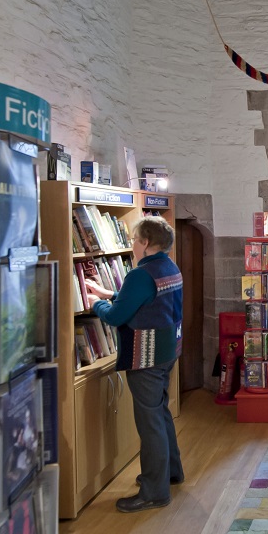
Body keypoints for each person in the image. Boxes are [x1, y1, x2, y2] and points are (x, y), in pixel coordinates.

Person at [86, 215, 184, 512]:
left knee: (149, 421)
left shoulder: (140, 274)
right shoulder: (169, 266)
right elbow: (147, 299)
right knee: (160, 413)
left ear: (145, 242)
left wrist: (97, 304)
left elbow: (116, 316)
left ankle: (155, 492)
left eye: (133, 240)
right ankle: (171, 473)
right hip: (168, 350)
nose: (132, 245)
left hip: (146, 355)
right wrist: (112, 294)